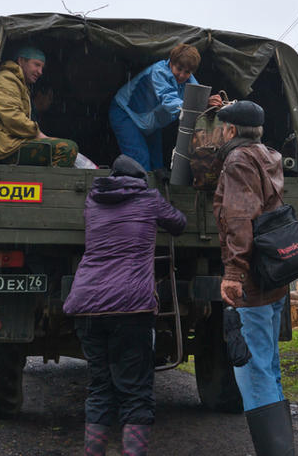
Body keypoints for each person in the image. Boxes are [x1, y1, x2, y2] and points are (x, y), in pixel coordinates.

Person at [63, 154, 187, 456]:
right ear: (139, 179)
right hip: (131, 307)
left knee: (100, 387)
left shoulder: (93, 201)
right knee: (135, 392)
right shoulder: (148, 199)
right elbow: (179, 224)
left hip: (86, 304)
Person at [214, 100, 294, 456]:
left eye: (221, 128)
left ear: (230, 130)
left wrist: (233, 272)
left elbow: (240, 218)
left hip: (251, 283)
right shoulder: (269, 156)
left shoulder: (238, 160)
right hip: (272, 274)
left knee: (253, 369)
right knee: (269, 365)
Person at [109, 43, 222, 170]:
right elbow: (170, 102)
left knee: (157, 165)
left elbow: (197, 100)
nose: (182, 75)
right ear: (171, 63)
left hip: (150, 124)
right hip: (126, 113)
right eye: (179, 69)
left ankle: (154, 190)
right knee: (139, 160)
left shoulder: (189, 81)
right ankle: (139, 189)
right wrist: (202, 104)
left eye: (187, 72)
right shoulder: (159, 72)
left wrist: (211, 103)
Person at [0, 45, 78, 166]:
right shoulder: (6, 79)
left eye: (42, 68)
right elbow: (12, 116)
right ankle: (48, 185)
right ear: (21, 61)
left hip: (10, 145)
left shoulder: (19, 83)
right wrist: (37, 133)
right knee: (67, 148)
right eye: (36, 65)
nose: (40, 72)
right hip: (4, 148)